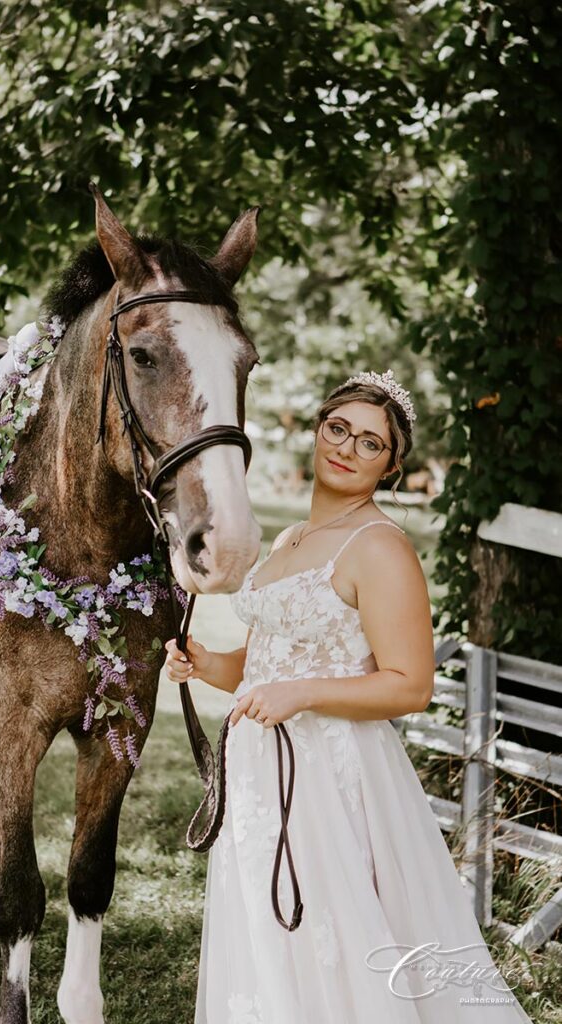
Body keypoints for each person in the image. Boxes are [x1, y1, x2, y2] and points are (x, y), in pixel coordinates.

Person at [165, 370, 533, 1023]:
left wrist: (300, 694)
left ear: (391, 467)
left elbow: (408, 684)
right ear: (316, 431)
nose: (347, 448)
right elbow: (267, 667)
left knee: (335, 926)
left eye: (371, 443)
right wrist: (205, 664)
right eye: (339, 429)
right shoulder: (286, 542)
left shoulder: (380, 548)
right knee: (268, 925)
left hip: (330, 773)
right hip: (260, 769)